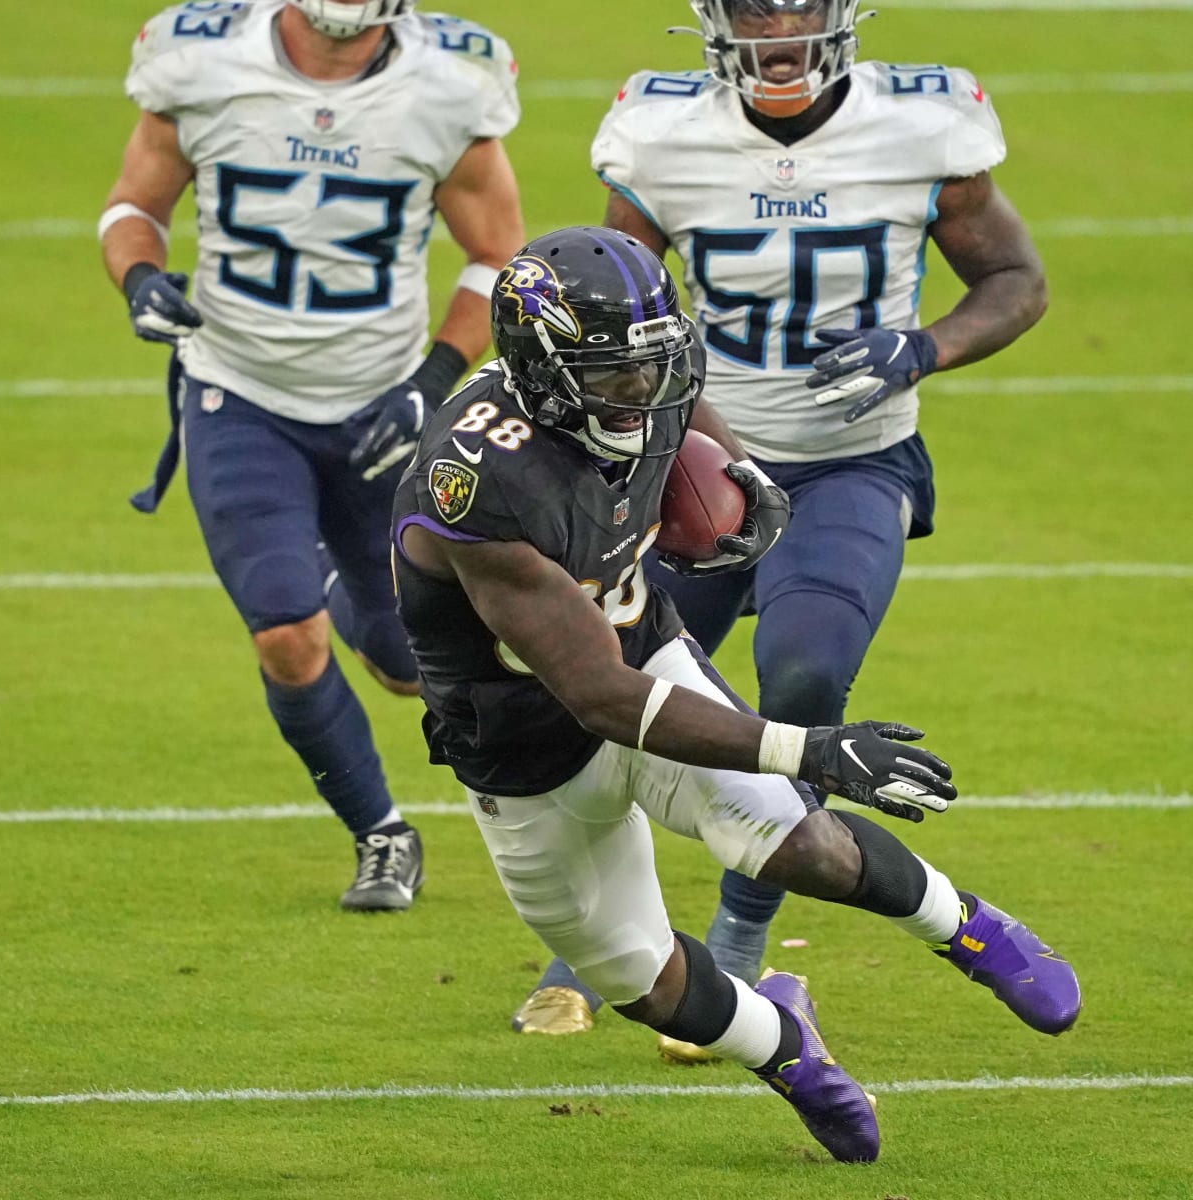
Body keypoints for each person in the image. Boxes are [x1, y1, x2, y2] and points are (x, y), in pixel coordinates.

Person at [390, 226, 1077, 1162]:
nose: (647, 395)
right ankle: (785, 1046)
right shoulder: (476, 480)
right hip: (526, 747)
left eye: (656, 366)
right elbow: (598, 695)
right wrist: (810, 747)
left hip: (646, 651)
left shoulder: (641, 381)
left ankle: (969, 929)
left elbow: (682, 406)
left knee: (798, 841)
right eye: (619, 377)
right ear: (544, 371)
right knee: (638, 975)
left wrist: (738, 474)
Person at [516, 0, 1050, 1050]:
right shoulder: (659, 132)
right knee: (599, 702)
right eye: (753, 6)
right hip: (687, 465)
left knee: (804, 680)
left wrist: (924, 346)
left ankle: (739, 945)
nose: (777, 27)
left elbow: (1017, 280)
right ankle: (584, 950)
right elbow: (617, 301)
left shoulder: (925, 124)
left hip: (855, 462)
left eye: (798, 3)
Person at [98, 0, 525, 910]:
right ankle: (381, 834)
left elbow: (497, 255)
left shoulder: (450, 82)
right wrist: (139, 279)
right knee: (287, 634)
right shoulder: (201, 57)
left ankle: (328, 569)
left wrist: (433, 378)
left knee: (409, 668)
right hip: (237, 392)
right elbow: (135, 205)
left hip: (381, 404)